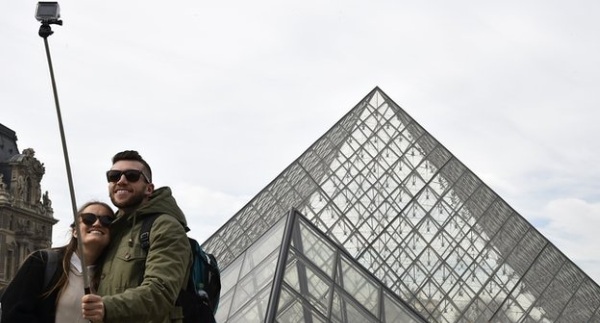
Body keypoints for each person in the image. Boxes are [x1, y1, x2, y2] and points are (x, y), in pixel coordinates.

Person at [82, 150, 192, 323]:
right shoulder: (113, 229)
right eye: (113, 176)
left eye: (132, 175)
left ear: (149, 188)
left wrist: (106, 307)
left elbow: (160, 293)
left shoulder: (165, 226)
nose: (121, 180)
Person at [0, 201, 115, 323]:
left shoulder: (112, 277)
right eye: (88, 219)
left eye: (107, 220)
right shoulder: (42, 262)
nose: (97, 223)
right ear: (75, 231)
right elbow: (13, 313)